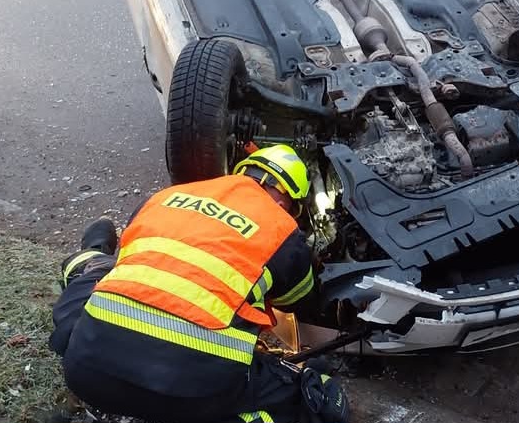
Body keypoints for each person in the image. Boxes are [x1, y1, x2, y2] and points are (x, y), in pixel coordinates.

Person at [49, 145, 350, 423]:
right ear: (290, 201)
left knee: (108, 275)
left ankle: (90, 255)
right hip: (192, 395)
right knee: (316, 398)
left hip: (88, 373)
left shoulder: (165, 197)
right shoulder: (282, 228)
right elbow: (299, 300)